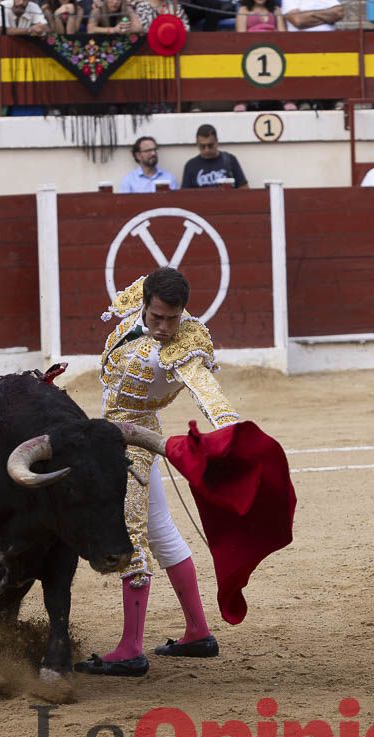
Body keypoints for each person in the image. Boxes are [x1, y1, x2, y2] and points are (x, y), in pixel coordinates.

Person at [74, 268, 238, 678]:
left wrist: (232, 432)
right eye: (157, 317)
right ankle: (198, 633)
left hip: (135, 443)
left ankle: (131, 649)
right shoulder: (138, 301)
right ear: (145, 305)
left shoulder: (187, 346)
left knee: (131, 534)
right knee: (161, 531)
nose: (164, 328)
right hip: (110, 434)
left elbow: (210, 394)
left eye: (173, 319)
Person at [181, 124, 249, 189]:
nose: (207, 150)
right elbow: (184, 194)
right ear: (197, 144)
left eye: (210, 145)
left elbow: (244, 189)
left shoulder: (230, 160)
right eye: (202, 146)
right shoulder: (191, 165)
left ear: (217, 142)